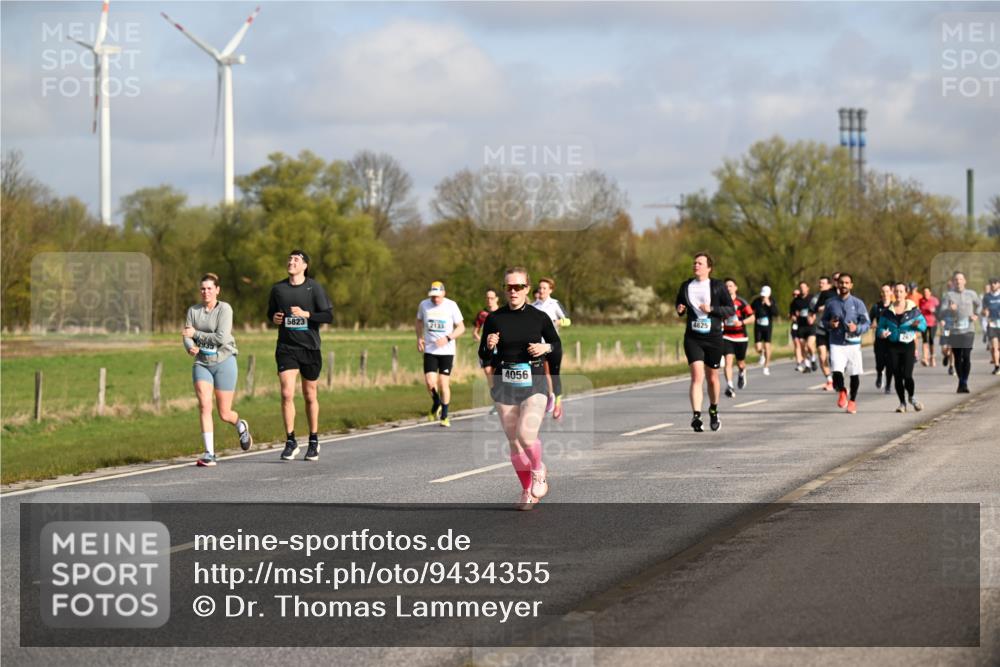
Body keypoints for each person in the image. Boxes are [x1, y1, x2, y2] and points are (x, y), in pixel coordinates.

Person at [479, 267, 560, 510]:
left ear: (527, 288)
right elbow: (484, 355)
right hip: (505, 382)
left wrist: (545, 349)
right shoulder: (494, 318)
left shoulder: (538, 317)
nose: (513, 291)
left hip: (533, 381)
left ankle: (538, 470)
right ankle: (527, 490)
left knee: (526, 435)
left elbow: (556, 345)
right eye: (508, 287)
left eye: (518, 287)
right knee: (514, 441)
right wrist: (489, 345)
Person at [267, 250, 334, 462]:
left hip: (310, 348)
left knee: (309, 395)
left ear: (305, 266)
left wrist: (307, 315)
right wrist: (275, 318)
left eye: (296, 259)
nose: (291, 261)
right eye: (289, 258)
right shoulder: (278, 289)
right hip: (286, 348)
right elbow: (271, 313)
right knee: (287, 393)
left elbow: (328, 315)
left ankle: (313, 440)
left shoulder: (313, 287)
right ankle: (290, 441)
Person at [183, 273, 252, 466]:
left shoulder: (225, 309)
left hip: (224, 361)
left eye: (209, 288)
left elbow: (221, 338)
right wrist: (189, 346)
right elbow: (186, 334)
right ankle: (209, 453)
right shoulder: (193, 311)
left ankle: (240, 425)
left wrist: (196, 334)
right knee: (205, 405)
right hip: (202, 363)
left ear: (217, 290)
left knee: (224, 413)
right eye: (203, 289)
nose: (206, 292)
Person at [675, 252, 735, 432]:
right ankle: (696, 416)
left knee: (713, 378)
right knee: (696, 377)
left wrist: (712, 309)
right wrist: (679, 309)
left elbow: (730, 309)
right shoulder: (686, 286)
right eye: (694, 263)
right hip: (693, 337)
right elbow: (679, 305)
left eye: (700, 263)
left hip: (714, 337)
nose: (696, 266)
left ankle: (714, 410)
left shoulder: (717, 286)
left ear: (709, 268)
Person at [416, 281, 466, 427]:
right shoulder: (424, 305)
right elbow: (419, 321)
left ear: (444, 293)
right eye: (432, 296)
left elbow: (461, 327)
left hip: (447, 351)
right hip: (430, 350)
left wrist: (448, 338)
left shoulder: (451, 305)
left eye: (437, 296)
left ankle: (444, 415)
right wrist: (419, 337)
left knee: (443, 383)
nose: (435, 299)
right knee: (430, 382)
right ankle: (436, 402)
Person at [822, 273, 870, 414]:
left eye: (847, 283)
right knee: (837, 371)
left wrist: (857, 328)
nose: (844, 285)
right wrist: (830, 324)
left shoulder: (858, 303)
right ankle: (842, 390)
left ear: (851, 285)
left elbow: (866, 323)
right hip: (836, 342)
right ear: (837, 284)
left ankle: (852, 401)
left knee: (854, 374)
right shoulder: (830, 303)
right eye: (841, 282)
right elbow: (823, 321)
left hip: (853, 343)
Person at [877, 282, 927, 412]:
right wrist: (882, 333)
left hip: (907, 345)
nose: (898, 294)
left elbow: (924, 325)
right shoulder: (888, 312)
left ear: (906, 293)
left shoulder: (913, 310)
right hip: (892, 346)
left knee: (907, 375)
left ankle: (912, 397)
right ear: (894, 293)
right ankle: (902, 403)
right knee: (897, 376)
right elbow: (880, 328)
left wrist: (917, 326)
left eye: (901, 291)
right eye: (897, 291)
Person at [532, 277, 570, 419]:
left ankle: (557, 402)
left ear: (550, 290)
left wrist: (558, 321)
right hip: (538, 346)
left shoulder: (554, 304)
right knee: (540, 374)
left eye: (544, 288)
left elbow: (568, 320)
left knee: (553, 375)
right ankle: (549, 397)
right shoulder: (534, 306)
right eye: (540, 288)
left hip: (553, 345)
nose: (541, 291)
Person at [941, 271, 982, 393]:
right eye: (956, 279)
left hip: (968, 330)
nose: (958, 281)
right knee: (958, 358)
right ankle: (961, 381)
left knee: (966, 356)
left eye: (960, 279)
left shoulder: (971, 294)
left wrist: (976, 314)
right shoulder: (948, 295)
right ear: (953, 282)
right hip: (954, 330)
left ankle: (964, 382)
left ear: (965, 281)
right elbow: (942, 312)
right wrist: (949, 308)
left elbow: (979, 305)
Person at [722, 278, 755, 397]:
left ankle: (742, 372)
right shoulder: (721, 302)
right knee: (728, 361)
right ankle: (730, 385)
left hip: (741, 337)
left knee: (740, 362)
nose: (728, 288)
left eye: (730, 286)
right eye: (726, 286)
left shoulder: (741, 302)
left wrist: (741, 323)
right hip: (727, 336)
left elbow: (752, 317)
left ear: (736, 288)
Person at [473, 288, 501, 413]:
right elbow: (475, 331)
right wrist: (479, 338)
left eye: (491, 298)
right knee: (488, 373)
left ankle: (503, 400)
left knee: (498, 375)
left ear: (496, 299)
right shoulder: (482, 314)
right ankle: (496, 402)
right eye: (487, 298)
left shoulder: (502, 313)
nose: (489, 300)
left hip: (499, 350)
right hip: (486, 349)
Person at [810, 276, 837, 390]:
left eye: (823, 283)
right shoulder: (817, 297)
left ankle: (837, 378)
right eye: (820, 283)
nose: (821, 285)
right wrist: (812, 315)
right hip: (821, 329)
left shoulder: (836, 296)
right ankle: (829, 380)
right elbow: (813, 309)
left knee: (834, 358)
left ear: (829, 285)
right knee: (822, 356)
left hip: (833, 330)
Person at [869, 283, 895, 394]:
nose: (885, 294)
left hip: (891, 339)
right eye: (883, 291)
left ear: (891, 292)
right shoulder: (876, 307)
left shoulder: (895, 306)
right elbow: (869, 321)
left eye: (887, 291)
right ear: (881, 293)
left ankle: (888, 385)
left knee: (890, 363)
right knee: (880, 362)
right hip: (879, 339)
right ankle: (879, 374)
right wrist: (873, 324)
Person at [751, 285, 779, 376]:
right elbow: (750, 310)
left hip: (767, 327)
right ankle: (761, 353)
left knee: (767, 347)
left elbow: (775, 313)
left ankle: (766, 367)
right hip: (758, 326)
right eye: (762, 295)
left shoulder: (772, 301)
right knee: (758, 347)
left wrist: (769, 305)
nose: (763, 297)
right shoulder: (756, 301)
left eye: (765, 295)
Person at [789, 282, 815, 372]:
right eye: (801, 288)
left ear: (808, 288)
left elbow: (817, 310)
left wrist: (813, 317)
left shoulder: (812, 299)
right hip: (801, 326)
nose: (802, 289)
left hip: (811, 326)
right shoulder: (796, 301)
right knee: (803, 347)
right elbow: (792, 313)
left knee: (809, 345)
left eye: (804, 287)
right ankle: (807, 365)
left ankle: (813, 359)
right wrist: (793, 316)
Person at [982, 277, 1000, 375]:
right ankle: (997, 366)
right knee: (994, 347)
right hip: (992, 324)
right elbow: (984, 310)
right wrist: (985, 312)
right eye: (991, 283)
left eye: (995, 283)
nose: (993, 284)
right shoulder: (986, 297)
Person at [919, 286, 939, 367]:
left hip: (933, 322)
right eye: (924, 292)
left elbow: (939, 310)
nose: (925, 294)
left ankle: (932, 357)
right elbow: (919, 310)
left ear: (930, 293)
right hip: (923, 323)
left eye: (927, 292)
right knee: (924, 340)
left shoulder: (934, 300)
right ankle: (925, 358)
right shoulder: (921, 300)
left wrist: (934, 310)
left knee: (931, 339)